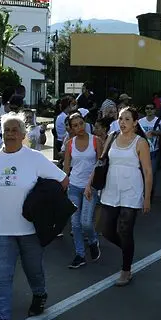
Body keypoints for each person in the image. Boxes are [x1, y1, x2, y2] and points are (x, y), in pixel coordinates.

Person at [0, 112, 68, 320]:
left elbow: (62, 181)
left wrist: (44, 208)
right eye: (6, 130)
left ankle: (39, 294)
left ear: (24, 134)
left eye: (15, 130)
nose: (10, 134)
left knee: (33, 269)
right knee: (1, 276)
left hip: (29, 229)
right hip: (0, 229)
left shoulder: (34, 158)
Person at [93, 107, 152, 286]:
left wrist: (147, 197)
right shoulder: (111, 137)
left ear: (135, 122)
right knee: (106, 230)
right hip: (111, 188)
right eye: (120, 119)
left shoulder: (140, 142)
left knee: (125, 230)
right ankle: (128, 249)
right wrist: (90, 184)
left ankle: (126, 270)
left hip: (131, 190)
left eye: (127, 119)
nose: (122, 122)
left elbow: (148, 171)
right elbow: (101, 161)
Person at [63, 113, 102, 268]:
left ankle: (93, 241)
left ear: (85, 123)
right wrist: (62, 183)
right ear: (71, 128)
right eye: (75, 125)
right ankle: (80, 254)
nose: (79, 127)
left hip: (90, 187)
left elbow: (100, 164)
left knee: (86, 222)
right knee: (75, 223)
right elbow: (66, 167)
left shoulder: (95, 140)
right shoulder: (70, 143)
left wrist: (92, 184)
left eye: (81, 123)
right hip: (73, 186)